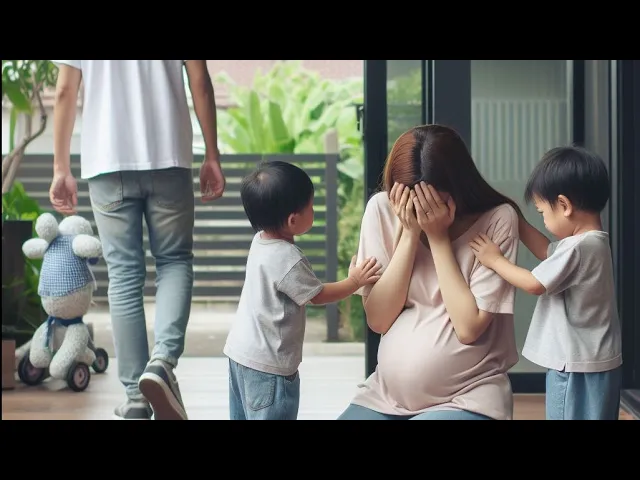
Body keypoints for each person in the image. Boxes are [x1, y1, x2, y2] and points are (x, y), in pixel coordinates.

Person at [50, 60, 225, 420]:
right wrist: (212, 153)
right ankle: (163, 362)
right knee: (174, 260)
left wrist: (60, 167)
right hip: (169, 156)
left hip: (107, 160)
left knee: (125, 275)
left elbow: (65, 90)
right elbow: (200, 82)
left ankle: (134, 397)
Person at [337, 124, 522, 421]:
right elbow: (379, 319)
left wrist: (438, 238)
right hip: (384, 396)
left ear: (457, 187)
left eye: (432, 199)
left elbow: (468, 328)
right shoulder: (382, 210)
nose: (421, 209)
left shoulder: (497, 219)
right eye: (412, 200)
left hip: (467, 397)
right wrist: (409, 234)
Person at [470, 145, 622, 420]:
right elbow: (547, 251)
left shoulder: (578, 248)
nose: (543, 219)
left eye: (542, 212)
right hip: (595, 361)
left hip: (574, 366)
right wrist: (518, 222)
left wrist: (495, 260)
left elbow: (534, 283)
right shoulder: (593, 243)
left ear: (564, 205)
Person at [223, 160, 382, 420]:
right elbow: (317, 295)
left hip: (240, 354)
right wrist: (354, 281)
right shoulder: (288, 258)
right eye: (311, 206)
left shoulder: (260, 241)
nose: (314, 210)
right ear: (293, 220)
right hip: (269, 367)